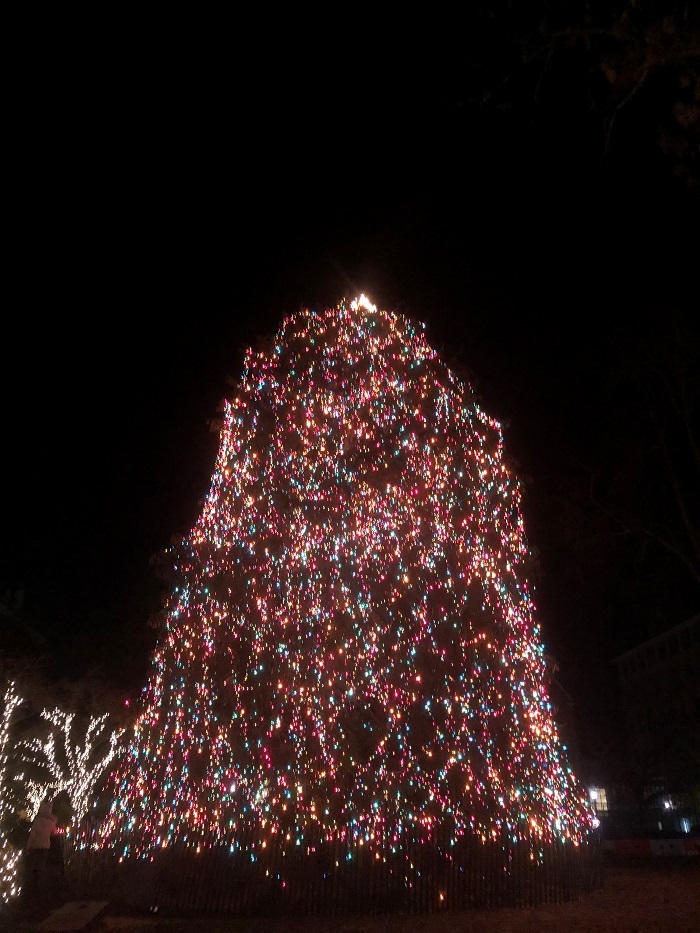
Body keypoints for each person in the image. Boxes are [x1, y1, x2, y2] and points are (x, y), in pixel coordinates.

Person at [23, 798, 58, 895]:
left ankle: (33, 890)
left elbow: (32, 835)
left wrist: (28, 847)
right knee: (42, 868)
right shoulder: (51, 823)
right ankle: (42, 889)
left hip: (35, 846)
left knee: (34, 867)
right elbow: (54, 832)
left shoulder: (38, 821)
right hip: (45, 846)